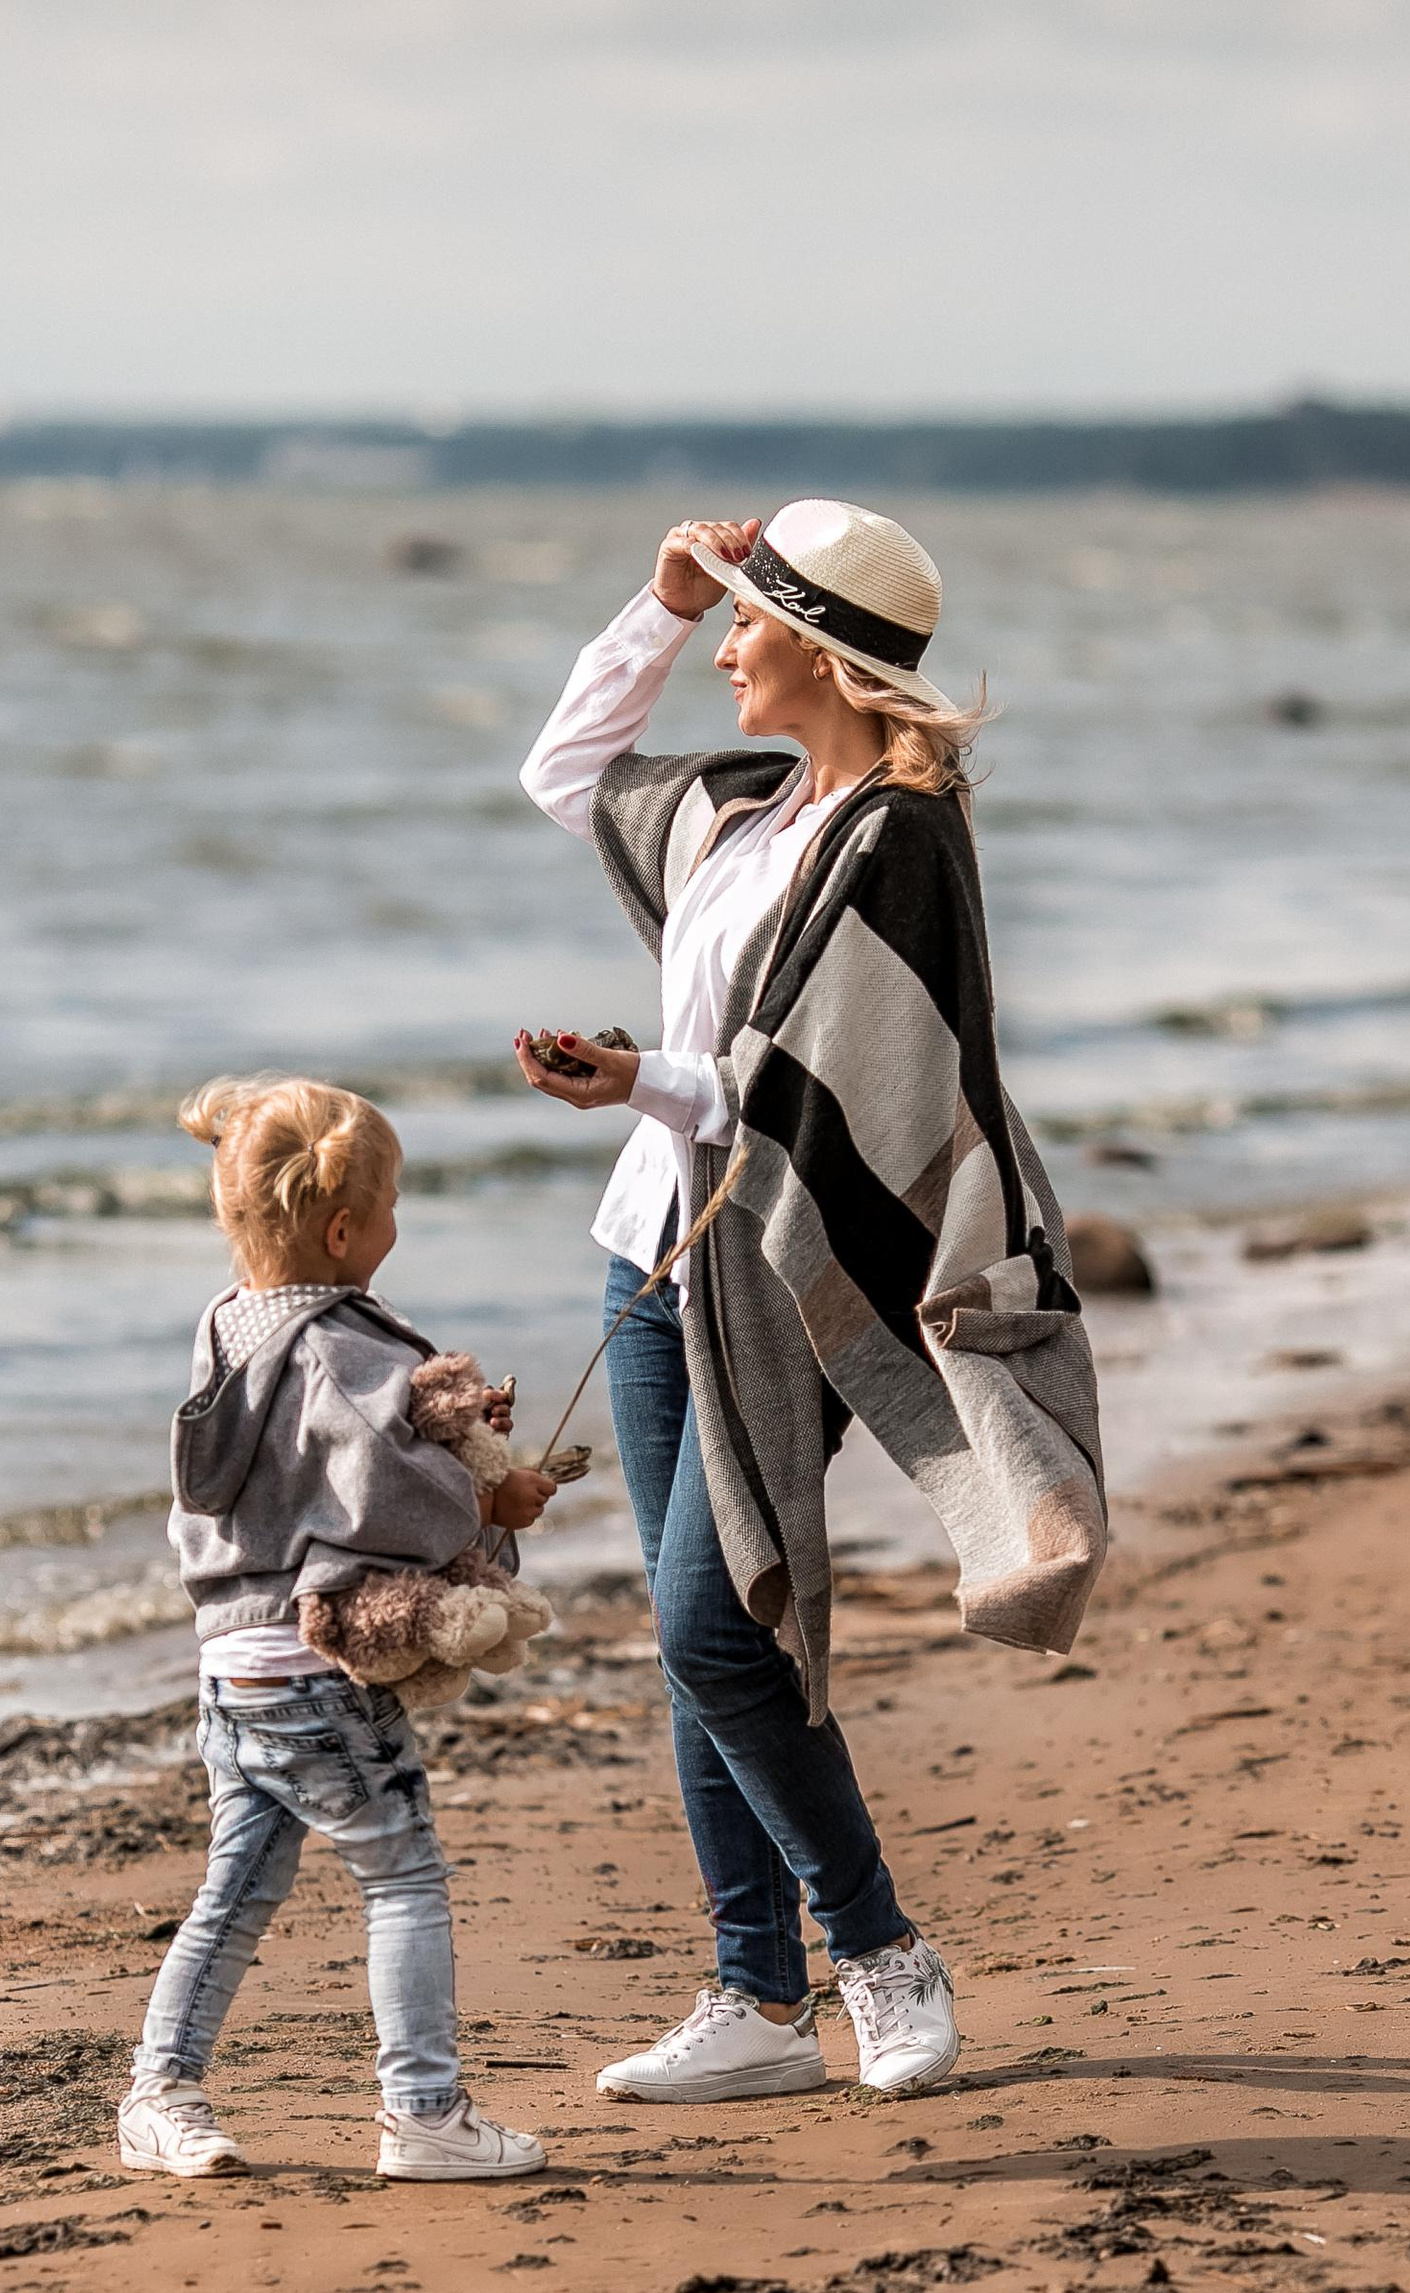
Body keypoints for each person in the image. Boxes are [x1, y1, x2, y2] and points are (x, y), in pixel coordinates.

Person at [515, 502, 1107, 2105]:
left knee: (719, 1626)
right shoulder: (749, 813)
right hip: (646, 1256)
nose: (723, 649)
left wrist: (640, 1075)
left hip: (789, 1260)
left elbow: (835, 1091)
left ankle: (881, 1955)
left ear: (823, 650)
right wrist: (649, 599)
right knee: (696, 1637)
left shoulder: (896, 845)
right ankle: (755, 1999)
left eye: (744, 624)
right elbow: (563, 779)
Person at [118, 1074, 557, 2181]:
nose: (398, 1223)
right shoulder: (341, 1346)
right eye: (394, 1203)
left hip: (231, 1665)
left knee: (234, 1889)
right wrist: (486, 1496)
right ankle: (423, 2113)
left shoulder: (230, 1328)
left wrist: (445, 1442)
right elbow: (379, 1492)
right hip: (319, 1663)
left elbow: (295, 1476)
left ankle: (158, 2097)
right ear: (345, 1227)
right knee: (403, 1876)